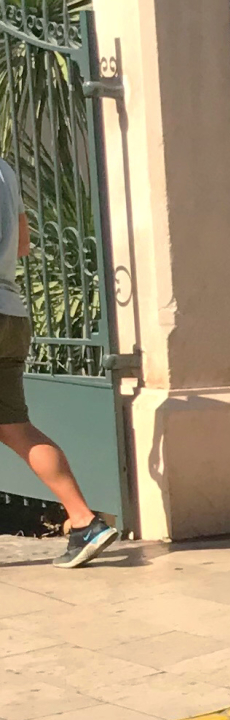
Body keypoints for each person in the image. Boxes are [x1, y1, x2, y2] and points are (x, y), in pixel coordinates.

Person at [0, 156, 118, 566]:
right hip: (10, 312)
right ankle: (85, 521)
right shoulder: (6, 170)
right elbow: (23, 244)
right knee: (15, 427)